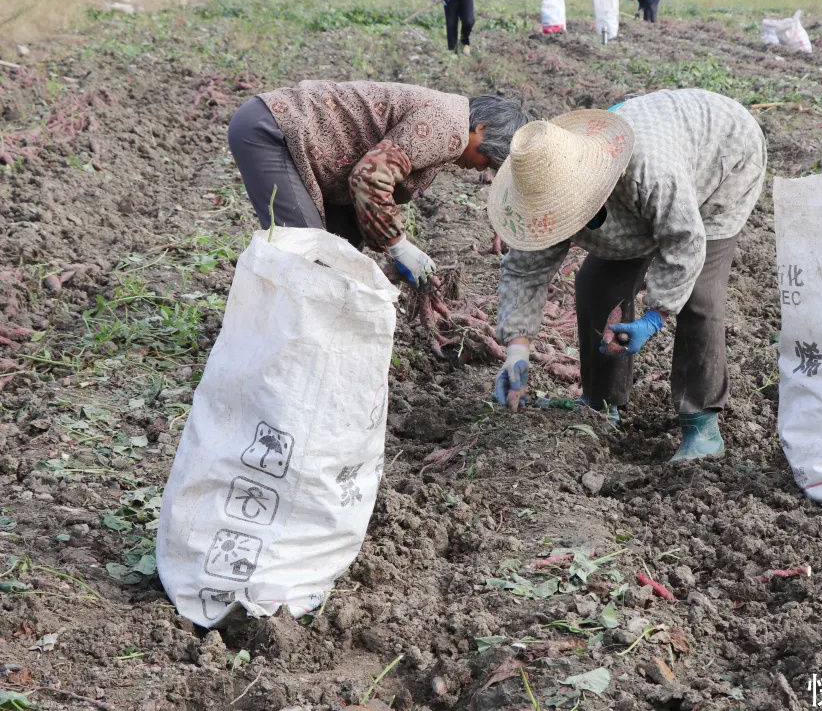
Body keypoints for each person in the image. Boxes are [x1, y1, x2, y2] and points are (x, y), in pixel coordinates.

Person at [488, 89, 767, 463]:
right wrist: (516, 350)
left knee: (699, 296)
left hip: (723, 157)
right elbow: (524, 270)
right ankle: (601, 403)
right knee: (597, 284)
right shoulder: (545, 183)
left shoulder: (648, 173)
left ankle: (701, 423)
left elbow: (684, 241)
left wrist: (655, 317)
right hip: (649, 187)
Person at [227, 81, 529, 287]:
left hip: (287, 135)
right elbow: (369, 177)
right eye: (487, 159)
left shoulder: (450, 116)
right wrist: (398, 245)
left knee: (338, 257)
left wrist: (381, 251)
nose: (482, 168)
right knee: (308, 257)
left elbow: (366, 188)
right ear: (481, 128)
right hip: (272, 132)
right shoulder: (449, 127)